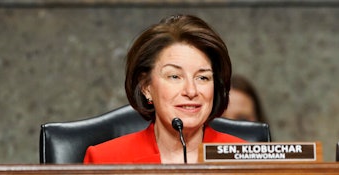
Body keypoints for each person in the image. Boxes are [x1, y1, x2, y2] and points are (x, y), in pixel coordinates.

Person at [83, 14, 247, 164]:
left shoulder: (244, 158)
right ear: (146, 86)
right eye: (174, 76)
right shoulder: (105, 159)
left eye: (202, 77)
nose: (191, 91)